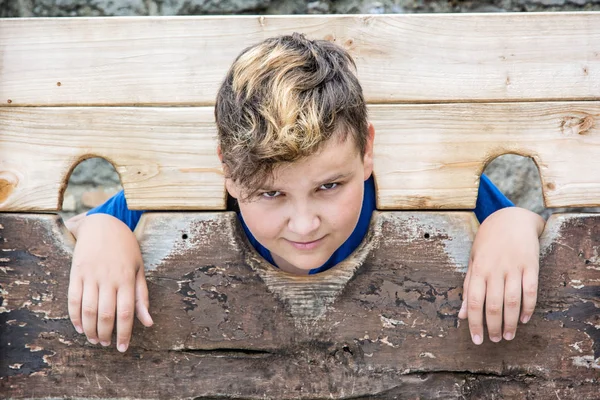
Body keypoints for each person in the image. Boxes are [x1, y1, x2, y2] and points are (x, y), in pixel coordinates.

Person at [66, 33, 546, 353]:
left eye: (330, 186)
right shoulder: (165, 194)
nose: (304, 224)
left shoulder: (437, 188)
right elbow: (78, 232)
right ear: (227, 174)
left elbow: (534, 229)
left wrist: (511, 223)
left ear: (368, 151)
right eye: (271, 195)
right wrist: (104, 230)